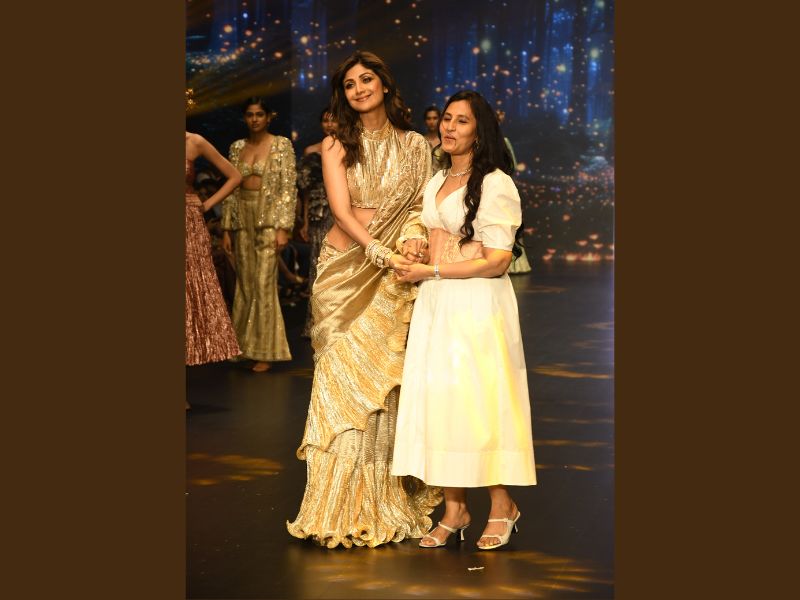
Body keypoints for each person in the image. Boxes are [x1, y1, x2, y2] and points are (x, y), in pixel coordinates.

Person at [287, 50, 441, 548]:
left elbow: (420, 206)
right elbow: (340, 209)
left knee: (386, 383)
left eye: (367, 79)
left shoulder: (415, 144)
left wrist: (412, 239)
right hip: (344, 273)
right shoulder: (337, 144)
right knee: (341, 382)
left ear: (385, 85)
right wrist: (376, 249)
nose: (359, 89)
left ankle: (381, 498)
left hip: (395, 275)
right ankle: (333, 503)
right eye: (350, 84)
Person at [391, 90, 537, 550]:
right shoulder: (437, 180)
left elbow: (497, 260)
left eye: (461, 121)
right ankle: (455, 509)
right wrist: (418, 246)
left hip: (476, 304)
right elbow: (432, 231)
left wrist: (432, 269)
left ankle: (502, 505)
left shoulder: (495, 183)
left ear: (480, 131)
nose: (449, 127)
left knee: (478, 402)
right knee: (441, 402)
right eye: (447, 119)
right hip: (436, 301)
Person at [220, 98, 298, 373]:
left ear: (268, 117)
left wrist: (283, 227)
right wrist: (226, 228)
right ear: (245, 118)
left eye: (259, 114)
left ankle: (266, 350)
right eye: (250, 115)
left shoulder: (281, 145)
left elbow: (288, 187)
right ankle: (243, 346)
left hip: (268, 219)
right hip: (242, 218)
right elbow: (231, 189)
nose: (254, 119)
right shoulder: (237, 147)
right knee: (245, 283)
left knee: (264, 283)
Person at [185, 131, 242, 368]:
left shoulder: (193, 141)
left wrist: (207, 204)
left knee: (192, 290)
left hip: (188, 222)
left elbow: (235, 176)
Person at [297, 107, 338, 337]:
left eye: (333, 120)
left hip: (341, 213)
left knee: (337, 266)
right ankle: (314, 323)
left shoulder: (348, 148)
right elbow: (305, 191)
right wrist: (304, 221)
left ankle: (335, 321)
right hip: (317, 214)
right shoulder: (311, 151)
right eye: (325, 121)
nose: (329, 125)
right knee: (316, 265)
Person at [496, 109, 531, 274]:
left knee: (508, 224)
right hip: (485, 187)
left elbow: (512, 165)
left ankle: (514, 264)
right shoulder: (479, 142)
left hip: (502, 187)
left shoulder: (504, 142)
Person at [423, 104, 446, 175]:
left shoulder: (445, 141)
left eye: (435, 118)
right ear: (425, 121)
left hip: (443, 178)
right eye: (428, 118)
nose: (431, 121)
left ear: (440, 120)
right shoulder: (420, 141)